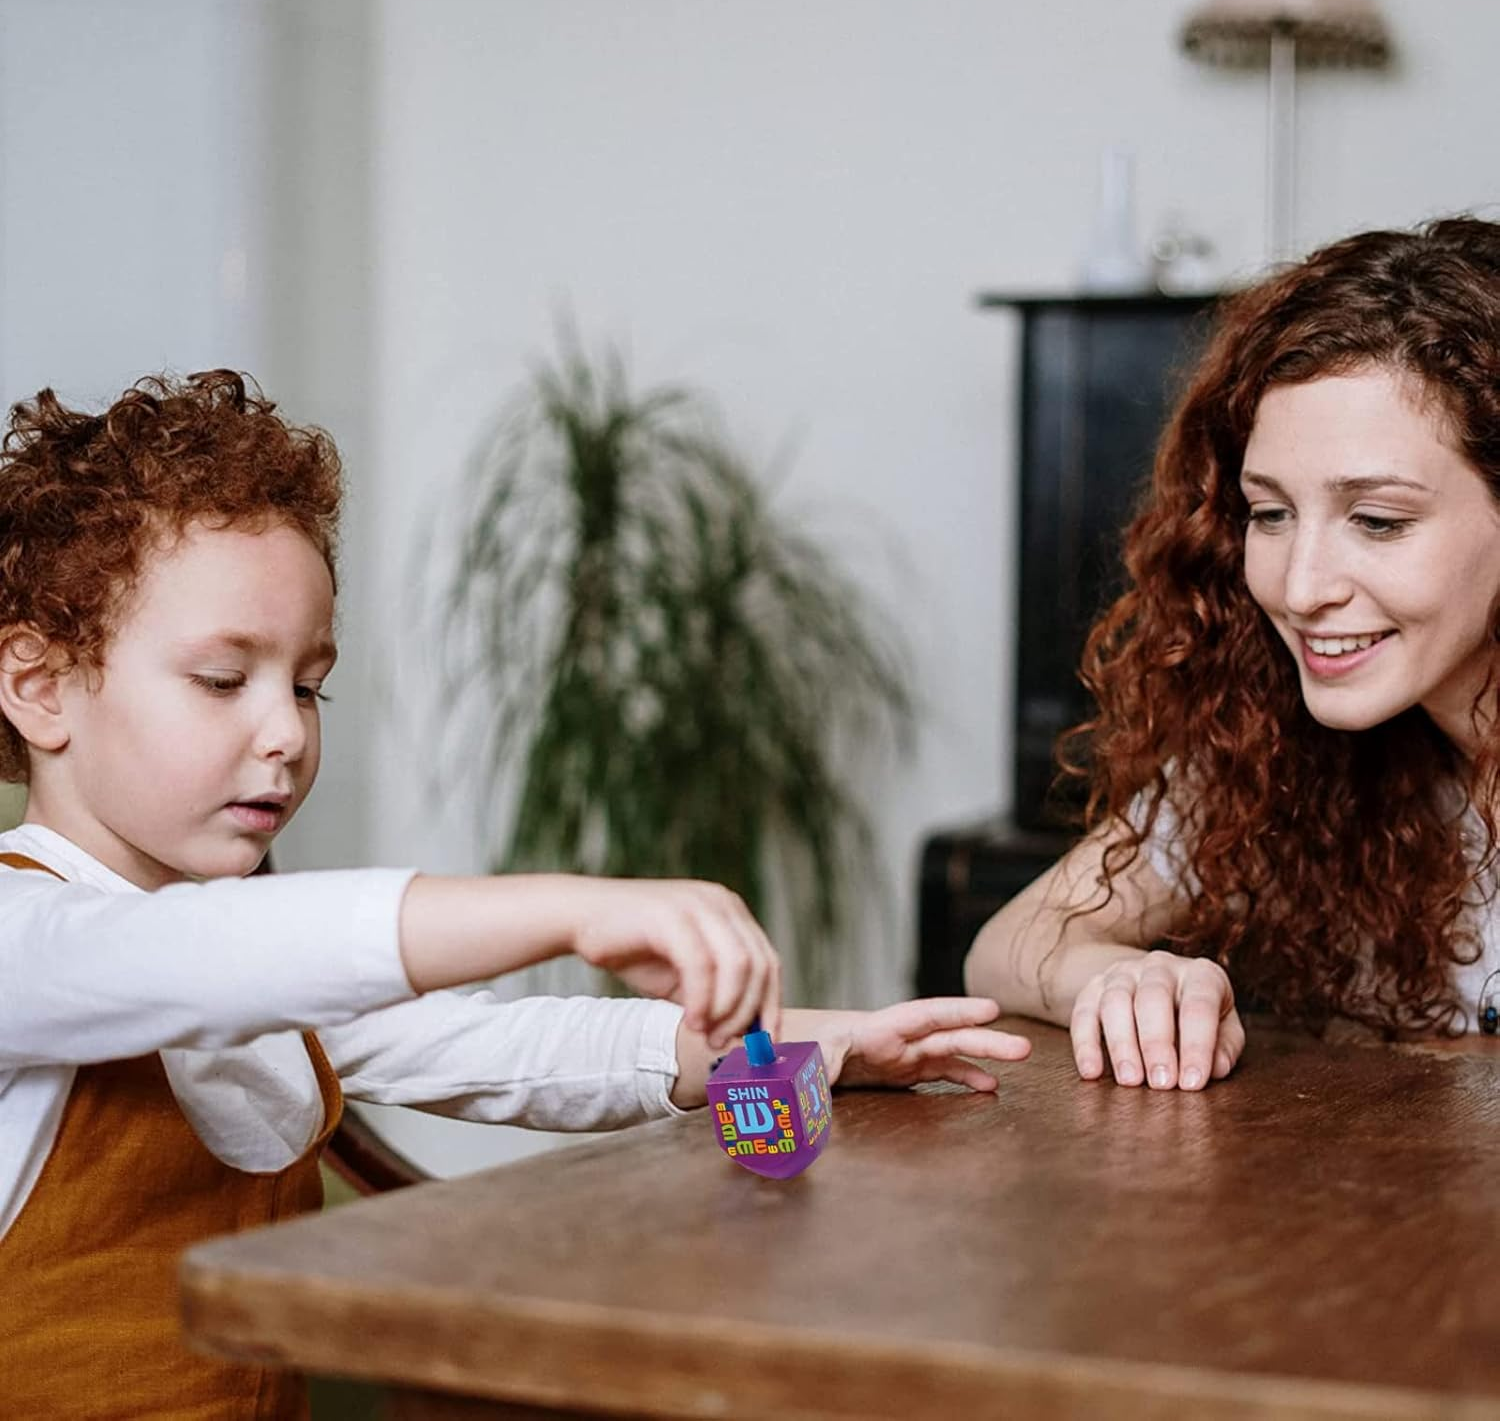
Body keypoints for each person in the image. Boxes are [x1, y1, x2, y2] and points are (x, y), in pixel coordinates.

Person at [0, 370, 1031, 1419]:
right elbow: (215, 955)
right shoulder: (21, 938)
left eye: (309, 685)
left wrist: (825, 1042)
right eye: (225, 681)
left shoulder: (269, 985)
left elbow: (514, 1050)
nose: (288, 732)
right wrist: (581, 905)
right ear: (39, 688)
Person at [964, 216, 1500, 1094]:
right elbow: (1008, 947)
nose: (1300, 586)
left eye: (1378, 521)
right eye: (1271, 513)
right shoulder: (1280, 752)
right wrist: (1117, 977)